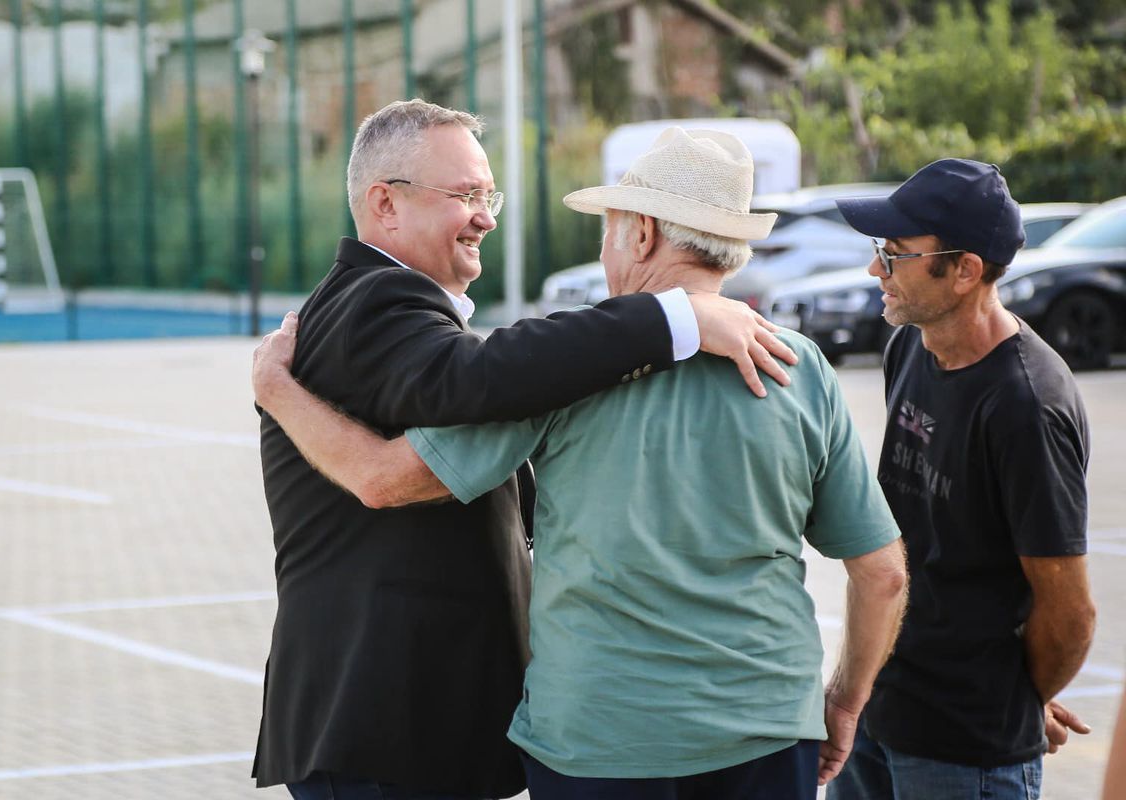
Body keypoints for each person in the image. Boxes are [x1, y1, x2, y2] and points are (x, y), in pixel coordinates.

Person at [253, 126, 909, 800]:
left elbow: (387, 478)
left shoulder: (567, 372)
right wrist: (844, 702)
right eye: (466, 193)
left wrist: (277, 392)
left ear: (642, 234)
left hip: (599, 742)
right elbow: (883, 574)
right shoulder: (800, 371)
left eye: (609, 226)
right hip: (770, 731)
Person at [827, 159, 1097, 800]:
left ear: (966, 270)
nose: (876, 272)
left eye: (894, 256)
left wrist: (1017, 699)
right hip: (877, 709)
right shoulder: (910, 345)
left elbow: (1070, 612)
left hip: (962, 750)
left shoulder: (1026, 405)